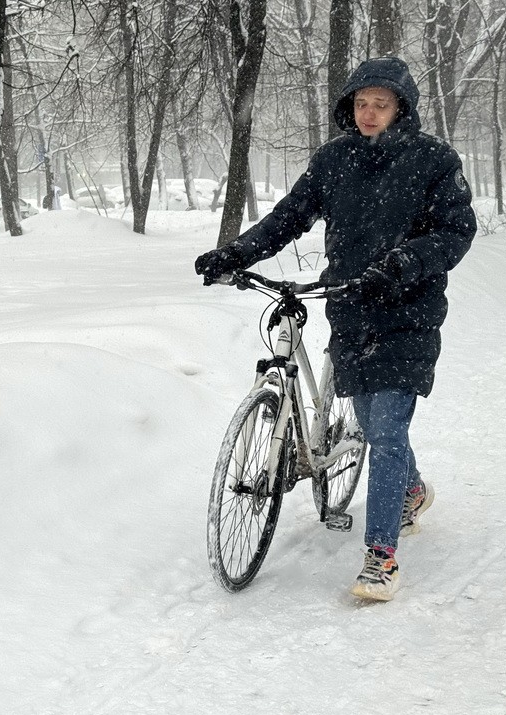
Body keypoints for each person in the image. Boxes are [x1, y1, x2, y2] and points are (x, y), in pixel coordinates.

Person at [194, 57, 476, 601]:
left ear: (402, 109)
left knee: (388, 431)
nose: (369, 114)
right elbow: (289, 216)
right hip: (349, 306)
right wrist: (236, 252)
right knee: (372, 427)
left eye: (381, 105)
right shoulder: (334, 160)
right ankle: (412, 492)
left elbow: (455, 231)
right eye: (361, 104)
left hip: (407, 310)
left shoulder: (433, 161)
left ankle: (381, 557)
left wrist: (401, 264)